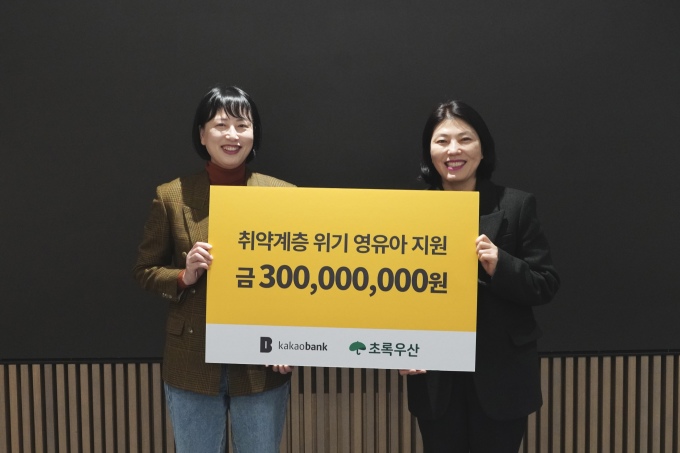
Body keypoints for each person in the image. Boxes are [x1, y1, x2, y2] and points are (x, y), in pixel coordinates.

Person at [133, 85, 294, 453]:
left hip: (260, 362)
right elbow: (144, 270)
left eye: (242, 125)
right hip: (191, 360)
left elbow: (297, 283)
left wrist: (289, 340)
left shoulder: (284, 195)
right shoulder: (171, 195)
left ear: (254, 134)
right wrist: (183, 275)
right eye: (221, 125)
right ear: (202, 135)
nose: (232, 135)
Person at [401, 100, 560, 453]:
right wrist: (400, 348)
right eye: (442, 141)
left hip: (501, 373)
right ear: (429, 152)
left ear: (483, 148)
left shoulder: (516, 205)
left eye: (465, 139)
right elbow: (395, 291)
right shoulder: (410, 211)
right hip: (435, 376)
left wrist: (502, 264)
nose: (453, 150)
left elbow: (546, 283)